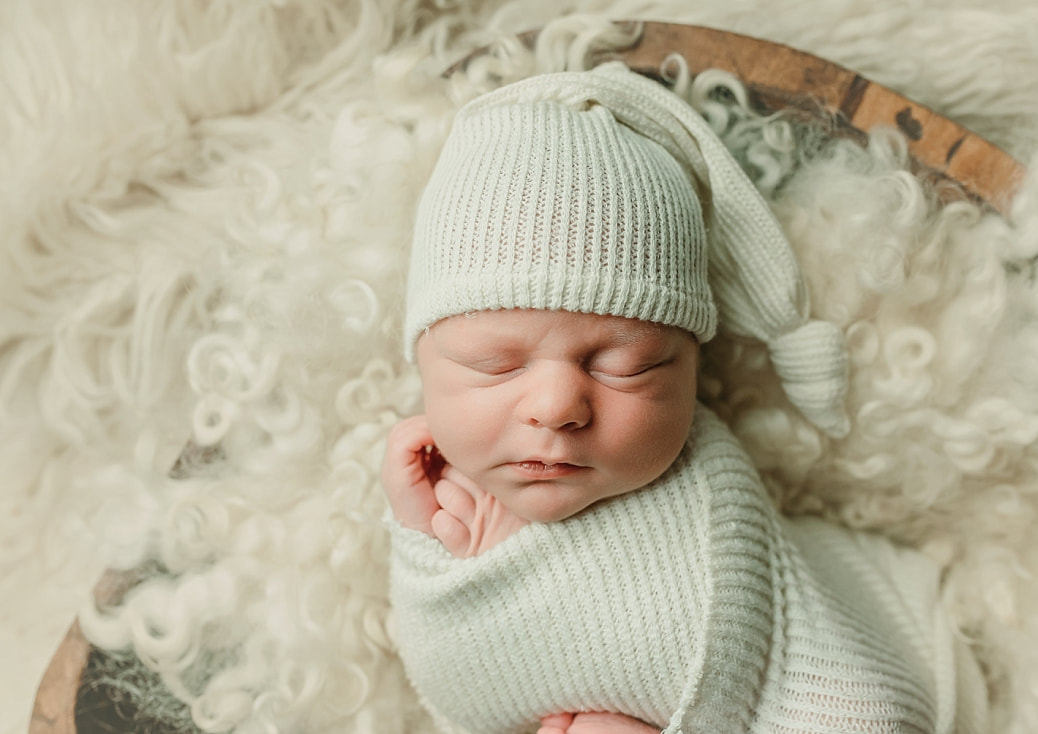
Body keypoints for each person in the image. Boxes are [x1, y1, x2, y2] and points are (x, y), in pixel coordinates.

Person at [382, 62, 988, 734]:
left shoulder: (701, 501)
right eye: (493, 365)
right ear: (424, 361)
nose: (556, 407)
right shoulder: (454, 504)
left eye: (625, 366)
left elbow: (867, 711)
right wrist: (425, 543)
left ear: (692, 368)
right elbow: (456, 683)